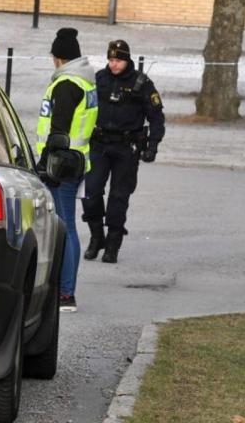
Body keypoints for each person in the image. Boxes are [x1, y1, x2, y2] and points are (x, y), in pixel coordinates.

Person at [81, 40, 165, 264]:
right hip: (99, 144)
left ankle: (113, 243)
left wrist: (153, 145)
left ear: (127, 60)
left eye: (117, 60)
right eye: (110, 60)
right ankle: (96, 237)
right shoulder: (99, 79)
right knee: (90, 193)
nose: (113, 64)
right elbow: (84, 109)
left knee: (119, 198)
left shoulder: (141, 83)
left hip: (126, 147)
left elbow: (156, 116)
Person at [35, 28, 98, 313]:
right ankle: (63, 288)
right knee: (66, 226)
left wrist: (44, 163)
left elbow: (58, 130)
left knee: (64, 227)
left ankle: (65, 293)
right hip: (77, 160)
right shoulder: (86, 81)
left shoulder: (65, 84)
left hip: (62, 163)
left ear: (59, 58)